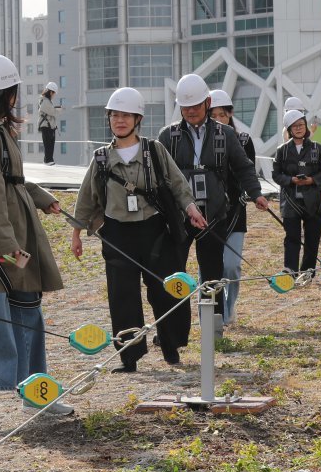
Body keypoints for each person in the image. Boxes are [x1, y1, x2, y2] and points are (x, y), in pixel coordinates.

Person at [0, 53, 72, 432]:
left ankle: (35, 392)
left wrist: (40, 197)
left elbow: (9, 181)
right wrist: (4, 243)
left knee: (27, 314)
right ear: (10, 93)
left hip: (14, 234)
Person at [71, 88, 206, 371]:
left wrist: (191, 209)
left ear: (137, 119)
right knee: (122, 297)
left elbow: (178, 184)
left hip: (155, 231)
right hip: (118, 235)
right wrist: (77, 234)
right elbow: (86, 200)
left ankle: (171, 347)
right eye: (115, 115)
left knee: (165, 290)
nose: (119, 120)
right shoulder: (100, 159)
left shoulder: (154, 150)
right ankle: (129, 357)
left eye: (126, 115)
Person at [159, 74, 266, 336]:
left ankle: (213, 328)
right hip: (179, 216)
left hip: (214, 214)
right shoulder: (167, 136)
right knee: (174, 274)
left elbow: (243, 167)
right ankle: (171, 331)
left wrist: (256, 193)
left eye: (196, 105)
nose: (191, 111)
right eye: (186, 107)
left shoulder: (225, 134)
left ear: (207, 102)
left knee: (212, 273)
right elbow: (158, 174)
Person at [208, 89, 255, 326]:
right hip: (209, 213)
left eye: (222, 115)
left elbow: (247, 171)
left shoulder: (244, 140)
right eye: (213, 115)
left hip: (236, 210)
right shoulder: (201, 143)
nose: (218, 120)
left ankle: (230, 306)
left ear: (230, 114)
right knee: (210, 266)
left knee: (232, 266)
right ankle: (214, 315)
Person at [272, 109, 321, 275]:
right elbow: (276, 174)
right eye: (294, 126)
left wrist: (312, 180)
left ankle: (307, 272)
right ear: (289, 129)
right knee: (292, 238)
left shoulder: (317, 148)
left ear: (306, 127)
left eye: (301, 125)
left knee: (312, 238)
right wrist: (291, 180)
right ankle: (290, 271)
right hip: (290, 202)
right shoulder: (282, 150)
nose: (298, 128)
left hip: (313, 202)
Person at [37, 82, 60, 165]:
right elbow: (52, 112)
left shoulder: (46, 101)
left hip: (49, 125)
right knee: (48, 143)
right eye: (54, 93)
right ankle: (48, 160)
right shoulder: (45, 101)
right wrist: (58, 110)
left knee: (50, 143)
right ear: (50, 92)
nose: (54, 95)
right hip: (46, 125)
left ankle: (48, 160)